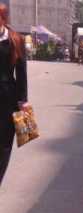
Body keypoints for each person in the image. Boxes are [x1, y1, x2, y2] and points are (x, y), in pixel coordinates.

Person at [0, 4, 29, 186]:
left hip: (7, 100)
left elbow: (22, 73)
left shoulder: (16, 40)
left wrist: (23, 100)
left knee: (4, 145)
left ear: (3, 18)